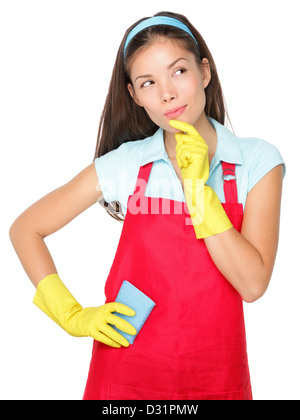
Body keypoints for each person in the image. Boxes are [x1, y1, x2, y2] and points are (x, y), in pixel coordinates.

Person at [9, 11, 285, 400]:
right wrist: (70, 315)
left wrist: (197, 189)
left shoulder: (256, 161)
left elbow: (252, 283)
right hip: (125, 373)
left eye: (178, 72)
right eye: (148, 83)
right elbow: (26, 228)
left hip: (216, 376)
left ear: (204, 72)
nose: (167, 94)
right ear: (134, 96)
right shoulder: (125, 163)